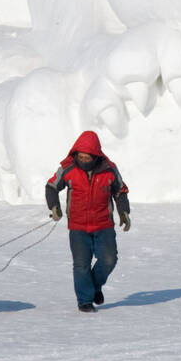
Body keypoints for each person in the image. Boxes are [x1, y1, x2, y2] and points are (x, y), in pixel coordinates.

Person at [46, 130, 131, 312]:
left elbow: (120, 190)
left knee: (109, 260)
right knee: (81, 264)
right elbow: (51, 186)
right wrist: (54, 206)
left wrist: (124, 212)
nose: (83, 160)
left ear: (95, 156)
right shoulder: (68, 169)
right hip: (78, 227)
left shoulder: (109, 169)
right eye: (80, 157)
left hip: (103, 225)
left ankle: (94, 286)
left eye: (87, 158)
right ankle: (85, 300)